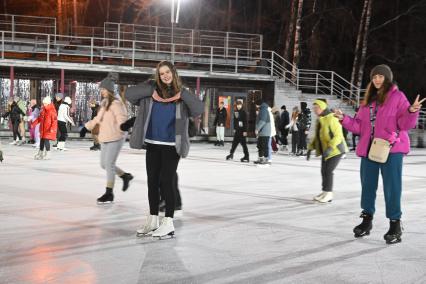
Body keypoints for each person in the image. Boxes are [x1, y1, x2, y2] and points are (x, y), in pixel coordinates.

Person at [334, 64, 424, 244]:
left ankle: (395, 224)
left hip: (391, 150)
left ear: (387, 78)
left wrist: (412, 111)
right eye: (374, 76)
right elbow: (359, 126)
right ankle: (367, 221)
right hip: (369, 151)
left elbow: (405, 124)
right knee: (368, 186)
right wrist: (344, 119)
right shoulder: (367, 101)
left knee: (392, 187)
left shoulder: (398, 97)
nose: (377, 79)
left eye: (381, 76)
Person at [125, 60, 204, 239]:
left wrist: (181, 92)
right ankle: (153, 219)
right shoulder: (151, 93)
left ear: (173, 73)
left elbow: (198, 108)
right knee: (152, 181)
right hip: (152, 143)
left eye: (167, 72)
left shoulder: (182, 96)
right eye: (161, 73)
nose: (165, 76)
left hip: (171, 146)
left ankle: (168, 222)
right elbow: (129, 94)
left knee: (167, 182)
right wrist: (151, 87)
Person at [85, 75, 134, 204]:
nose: (101, 91)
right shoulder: (105, 102)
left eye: (103, 89)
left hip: (116, 136)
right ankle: (125, 176)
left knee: (109, 164)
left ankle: (109, 193)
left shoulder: (117, 104)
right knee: (104, 164)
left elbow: (122, 121)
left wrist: (124, 126)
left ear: (109, 90)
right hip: (106, 136)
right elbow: (97, 119)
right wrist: (87, 127)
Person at [307, 100, 348, 203]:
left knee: (328, 171)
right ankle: (325, 191)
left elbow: (338, 135)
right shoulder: (320, 120)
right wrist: (310, 148)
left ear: (323, 107)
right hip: (327, 150)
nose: (314, 110)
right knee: (323, 170)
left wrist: (330, 148)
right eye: (314, 108)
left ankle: (329, 193)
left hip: (336, 149)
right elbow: (317, 136)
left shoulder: (332, 118)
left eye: (317, 108)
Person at [253, 97, 271, 165]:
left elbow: (263, 121)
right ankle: (261, 159)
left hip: (264, 132)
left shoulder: (263, 110)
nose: (256, 106)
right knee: (260, 146)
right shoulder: (262, 109)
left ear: (259, 104)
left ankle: (266, 159)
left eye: (256, 105)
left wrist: (257, 129)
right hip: (262, 132)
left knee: (264, 146)